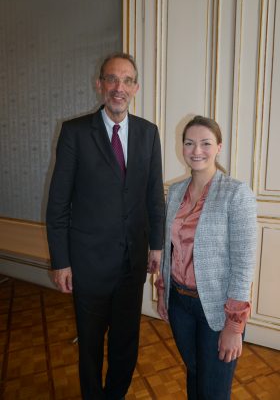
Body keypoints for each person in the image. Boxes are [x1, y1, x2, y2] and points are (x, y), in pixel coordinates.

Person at [46, 52, 164, 400]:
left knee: (127, 344)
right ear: (99, 84)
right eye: (112, 79)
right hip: (88, 265)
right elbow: (58, 204)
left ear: (135, 87)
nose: (119, 87)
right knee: (91, 347)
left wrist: (155, 246)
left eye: (127, 80)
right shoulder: (75, 132)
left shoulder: (148, 133)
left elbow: (154, 197)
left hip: (132, 264)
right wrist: (60, 261)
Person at [156, 116, 257, 400]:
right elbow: (169, 248)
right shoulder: (175, 192)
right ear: (182, 148)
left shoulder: (236, 193)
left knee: (213, 390)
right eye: (189, 143)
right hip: (180, 304)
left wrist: (234, 326)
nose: (196, 150)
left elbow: (243, 264)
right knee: (195, 375)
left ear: (218, 147)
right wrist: (163, 292)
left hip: (217, 309)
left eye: (205, 143)